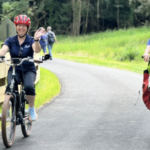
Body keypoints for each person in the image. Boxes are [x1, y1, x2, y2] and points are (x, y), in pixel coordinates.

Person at [0, 14, 46, 121]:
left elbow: (37, 50)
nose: (21, 28)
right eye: (19, 25)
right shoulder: (10, 40)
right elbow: (3, 51)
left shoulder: (30, 40)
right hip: (15, 68)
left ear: (27, 28)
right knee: (10, 86)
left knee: (29, 86)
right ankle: (6, 110)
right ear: (16, 27)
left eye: (24, 26)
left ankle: (31, 108)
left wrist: (36, 40)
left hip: (28, 69)